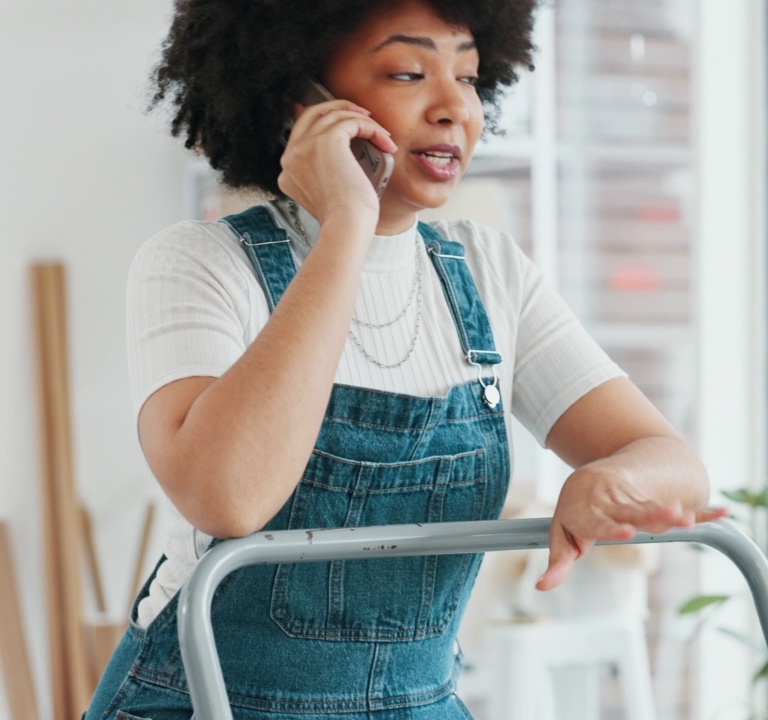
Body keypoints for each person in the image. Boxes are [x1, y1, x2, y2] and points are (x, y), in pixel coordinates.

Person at [84, 1, 725, 717]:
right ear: (302, 103)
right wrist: (348, 225)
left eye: (472, 76)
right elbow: (229, 495)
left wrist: (610, 480)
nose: (456, 108)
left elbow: (674, 462)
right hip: (208, 703)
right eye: (408, 71)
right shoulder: (200, 263)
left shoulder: (489, 272)